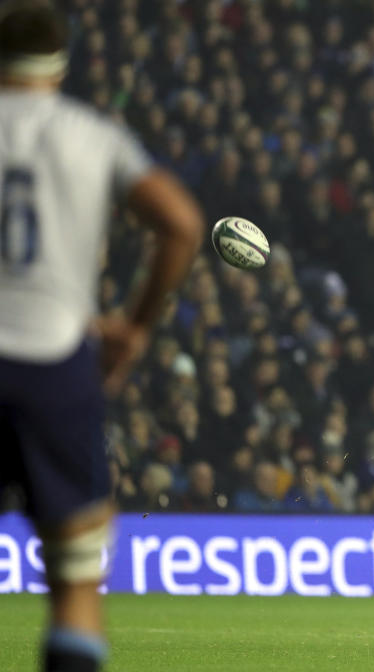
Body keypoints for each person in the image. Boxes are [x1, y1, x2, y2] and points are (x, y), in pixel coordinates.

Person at [0, 3, 203, 671]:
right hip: (55, 364)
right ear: (60, 63)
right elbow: (178, 222)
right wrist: (135, 327)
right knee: (76, 586)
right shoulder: (92, 135)